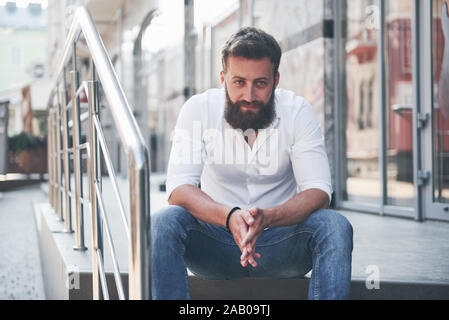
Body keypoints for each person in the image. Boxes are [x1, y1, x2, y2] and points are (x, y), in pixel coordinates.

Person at [151, 27, 353, 300]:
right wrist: (230, 216)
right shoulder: (197, 109)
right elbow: (179, 189)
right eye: (238, 82)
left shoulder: (298, 111)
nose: (249, 95)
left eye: (260, 83)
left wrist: (268, 218)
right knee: (163, 223)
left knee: (335, 226)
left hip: (281, 244)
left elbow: (319, 191)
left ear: (276, 80)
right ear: (223, 78)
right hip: (215, 246)